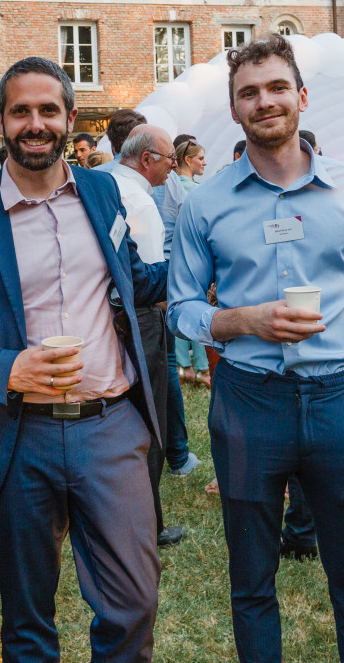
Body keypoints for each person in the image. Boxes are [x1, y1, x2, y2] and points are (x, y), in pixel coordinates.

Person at [167, 34, 344, 663]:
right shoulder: (208, 203)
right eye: (249, 93)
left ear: (301, 97)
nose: (265, 101)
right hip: (249, 404)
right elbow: (182, 308)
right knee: (251, 584)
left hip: (341, 397)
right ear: (234, 109)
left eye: (277, 88)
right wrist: (241, 319)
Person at [0, 56, 168, 663]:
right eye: (21, 111)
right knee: (28, 616)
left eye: (48, 111)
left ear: (70, 118)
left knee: (133, 602)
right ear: (1, 120)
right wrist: (6, 368)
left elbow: (130, 279)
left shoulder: (105, 190)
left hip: (110, 426)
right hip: (17, 433)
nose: (36, 123)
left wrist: (200, 270)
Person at [115, 125, 198, 543]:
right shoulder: (140, 202)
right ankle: (149, 524)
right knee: (151, 421)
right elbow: (147, 283)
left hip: (110, 322)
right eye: (168, 160)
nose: (171, 169)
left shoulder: (109, 185)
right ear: (146, 159)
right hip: (141, 322)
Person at [173, 138, 209, 387]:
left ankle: (183, 366)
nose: (204, 163)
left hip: (174, 255)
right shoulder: (196, 192)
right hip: (196, 256)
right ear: (188, 160)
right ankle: (203, 369)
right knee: (198, 309)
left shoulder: (168, 185)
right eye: (200, 158)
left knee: (179, 308)